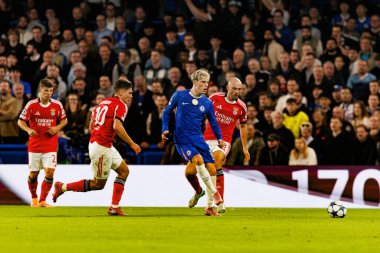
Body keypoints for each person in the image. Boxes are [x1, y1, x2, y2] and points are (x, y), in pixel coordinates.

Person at [52, 78, 141, 216]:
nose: (131, 96)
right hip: (101, 147)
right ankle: (62, 187)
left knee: (124, 171)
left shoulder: (103, 102)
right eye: (129, 93)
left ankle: (114, 206)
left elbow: (91, 125)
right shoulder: (121, 105)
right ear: (121, 92)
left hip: (102, 144)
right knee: (98, 184)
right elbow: (117, 126)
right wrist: (132, 143)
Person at [161, 69, 224, 216]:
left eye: (207, 82)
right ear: (194, 82)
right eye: (203, 82)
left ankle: (208, 207)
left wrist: (219, 138)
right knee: (198, 159)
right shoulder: (180, 95)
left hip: (198, 139)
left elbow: (213, 123)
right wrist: (164, 129)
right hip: (182, 139)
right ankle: (215, 194)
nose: (206, 85)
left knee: (210, 170)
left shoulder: (207, 103)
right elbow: (166, 112)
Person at [185, 77, 249, 213]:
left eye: (239, 89)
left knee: (216, 162)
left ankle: (216, 202)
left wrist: (245, 148)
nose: (237, 91)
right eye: (234, 88)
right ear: (227, 88)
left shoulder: (241, 107)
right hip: (205, 140)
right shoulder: (214, 98)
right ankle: (198, 192)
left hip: (223, 142)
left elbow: (243, 127)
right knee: (189, 173)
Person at [17, 79, 68, 207]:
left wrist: (57, 128)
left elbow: (64, 121)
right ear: (40, 90)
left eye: (51, 91)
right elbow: (20, 121)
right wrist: (28, 129)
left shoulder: (57, 105)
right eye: (46, 91)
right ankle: (34, 199)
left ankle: (42, 200)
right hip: (35, 145)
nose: (48, 93)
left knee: (50, 172)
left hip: (50, 145)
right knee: (34, 174)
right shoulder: (31, 105)